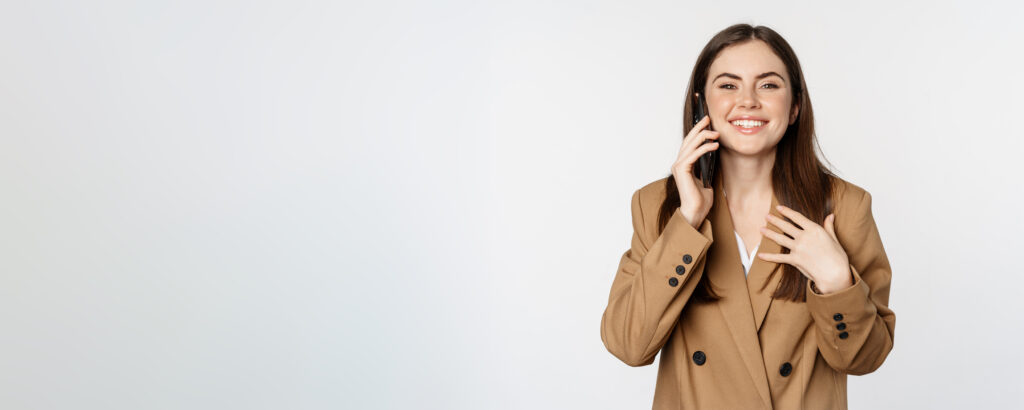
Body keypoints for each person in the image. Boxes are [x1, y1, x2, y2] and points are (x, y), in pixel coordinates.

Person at [599, 24, 895, 409]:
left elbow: (864, 359)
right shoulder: (657, 205)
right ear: (701, 103)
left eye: (769, 85)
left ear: (794, 107)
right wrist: (686, 221)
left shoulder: (843, 206)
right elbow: (628, 345)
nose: (748, 101)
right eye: (728, 85)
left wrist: (837, 281)